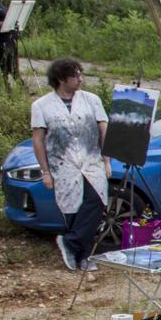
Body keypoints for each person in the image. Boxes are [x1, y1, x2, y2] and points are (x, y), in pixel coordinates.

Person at [31, 58, 109, 274]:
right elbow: (38, 140)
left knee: (96, 202)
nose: (80, 79)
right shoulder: (41, 105)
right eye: (75, 75)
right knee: (72, 208)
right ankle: (80, 255)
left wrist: (107, 159)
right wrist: (45, 171)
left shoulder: (91, 100)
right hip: (63, 164)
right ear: (61, 79)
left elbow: (103, 128)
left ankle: (71, 243)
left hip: (90, 160)